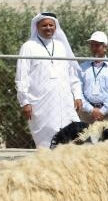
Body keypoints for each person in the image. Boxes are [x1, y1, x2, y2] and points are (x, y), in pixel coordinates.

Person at [15, 12, 83, 148]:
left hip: (65, 102)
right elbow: (21, 76)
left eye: (51, 25)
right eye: (44, 25)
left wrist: (77, 95)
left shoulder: (61, 46)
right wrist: (25, 102)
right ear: (37, 27)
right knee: (46, 142)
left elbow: (72, 73)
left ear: (55, 27)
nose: (48, 28)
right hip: (40, 103)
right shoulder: (28, 47)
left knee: (73, 135)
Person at [78, 31, 108, 123]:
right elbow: (79, 91)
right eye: (92, 45)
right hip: (86, 114)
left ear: (105, 47)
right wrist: (91, 110)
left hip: (107, 114)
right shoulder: (83, 67)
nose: (94, 48)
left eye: (97, 45)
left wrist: (103, 111)